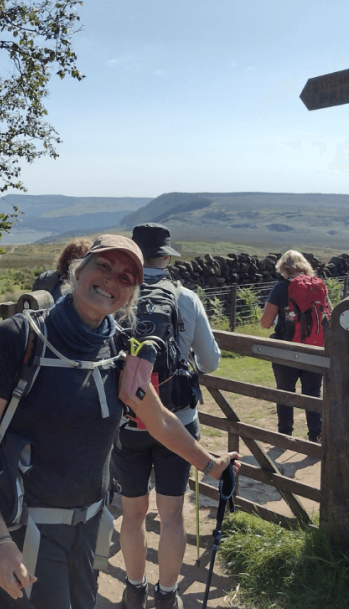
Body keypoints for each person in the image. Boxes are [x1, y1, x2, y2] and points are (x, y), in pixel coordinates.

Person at [0, 234, 239, 609]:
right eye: (104, 266)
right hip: (27, 533)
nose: (113, 280)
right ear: (78, 270)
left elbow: (159, 420)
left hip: (90, 531)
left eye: (126, 277)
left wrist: (209, 465)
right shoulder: (18, 338)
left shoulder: (118, 349)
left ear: (131, 295)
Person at [114, 223, 222, 609]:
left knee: (132, 513)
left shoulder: (117, 295)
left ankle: (133, 587)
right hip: (179, 420)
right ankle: (166, 594)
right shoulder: (187, 298)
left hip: (127, 422)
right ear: (165, 257)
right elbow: (210, 361)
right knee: (172, 513)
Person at [259, 250, 324, 442]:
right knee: (312, 393)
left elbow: (265, 323)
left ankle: (285, 436)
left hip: (286, 350)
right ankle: (316, 436)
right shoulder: (318, 287)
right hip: (314, 350)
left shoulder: (280, 289)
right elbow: (329, 316)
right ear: (304, 266)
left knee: (285, 392)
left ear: (283, 269)